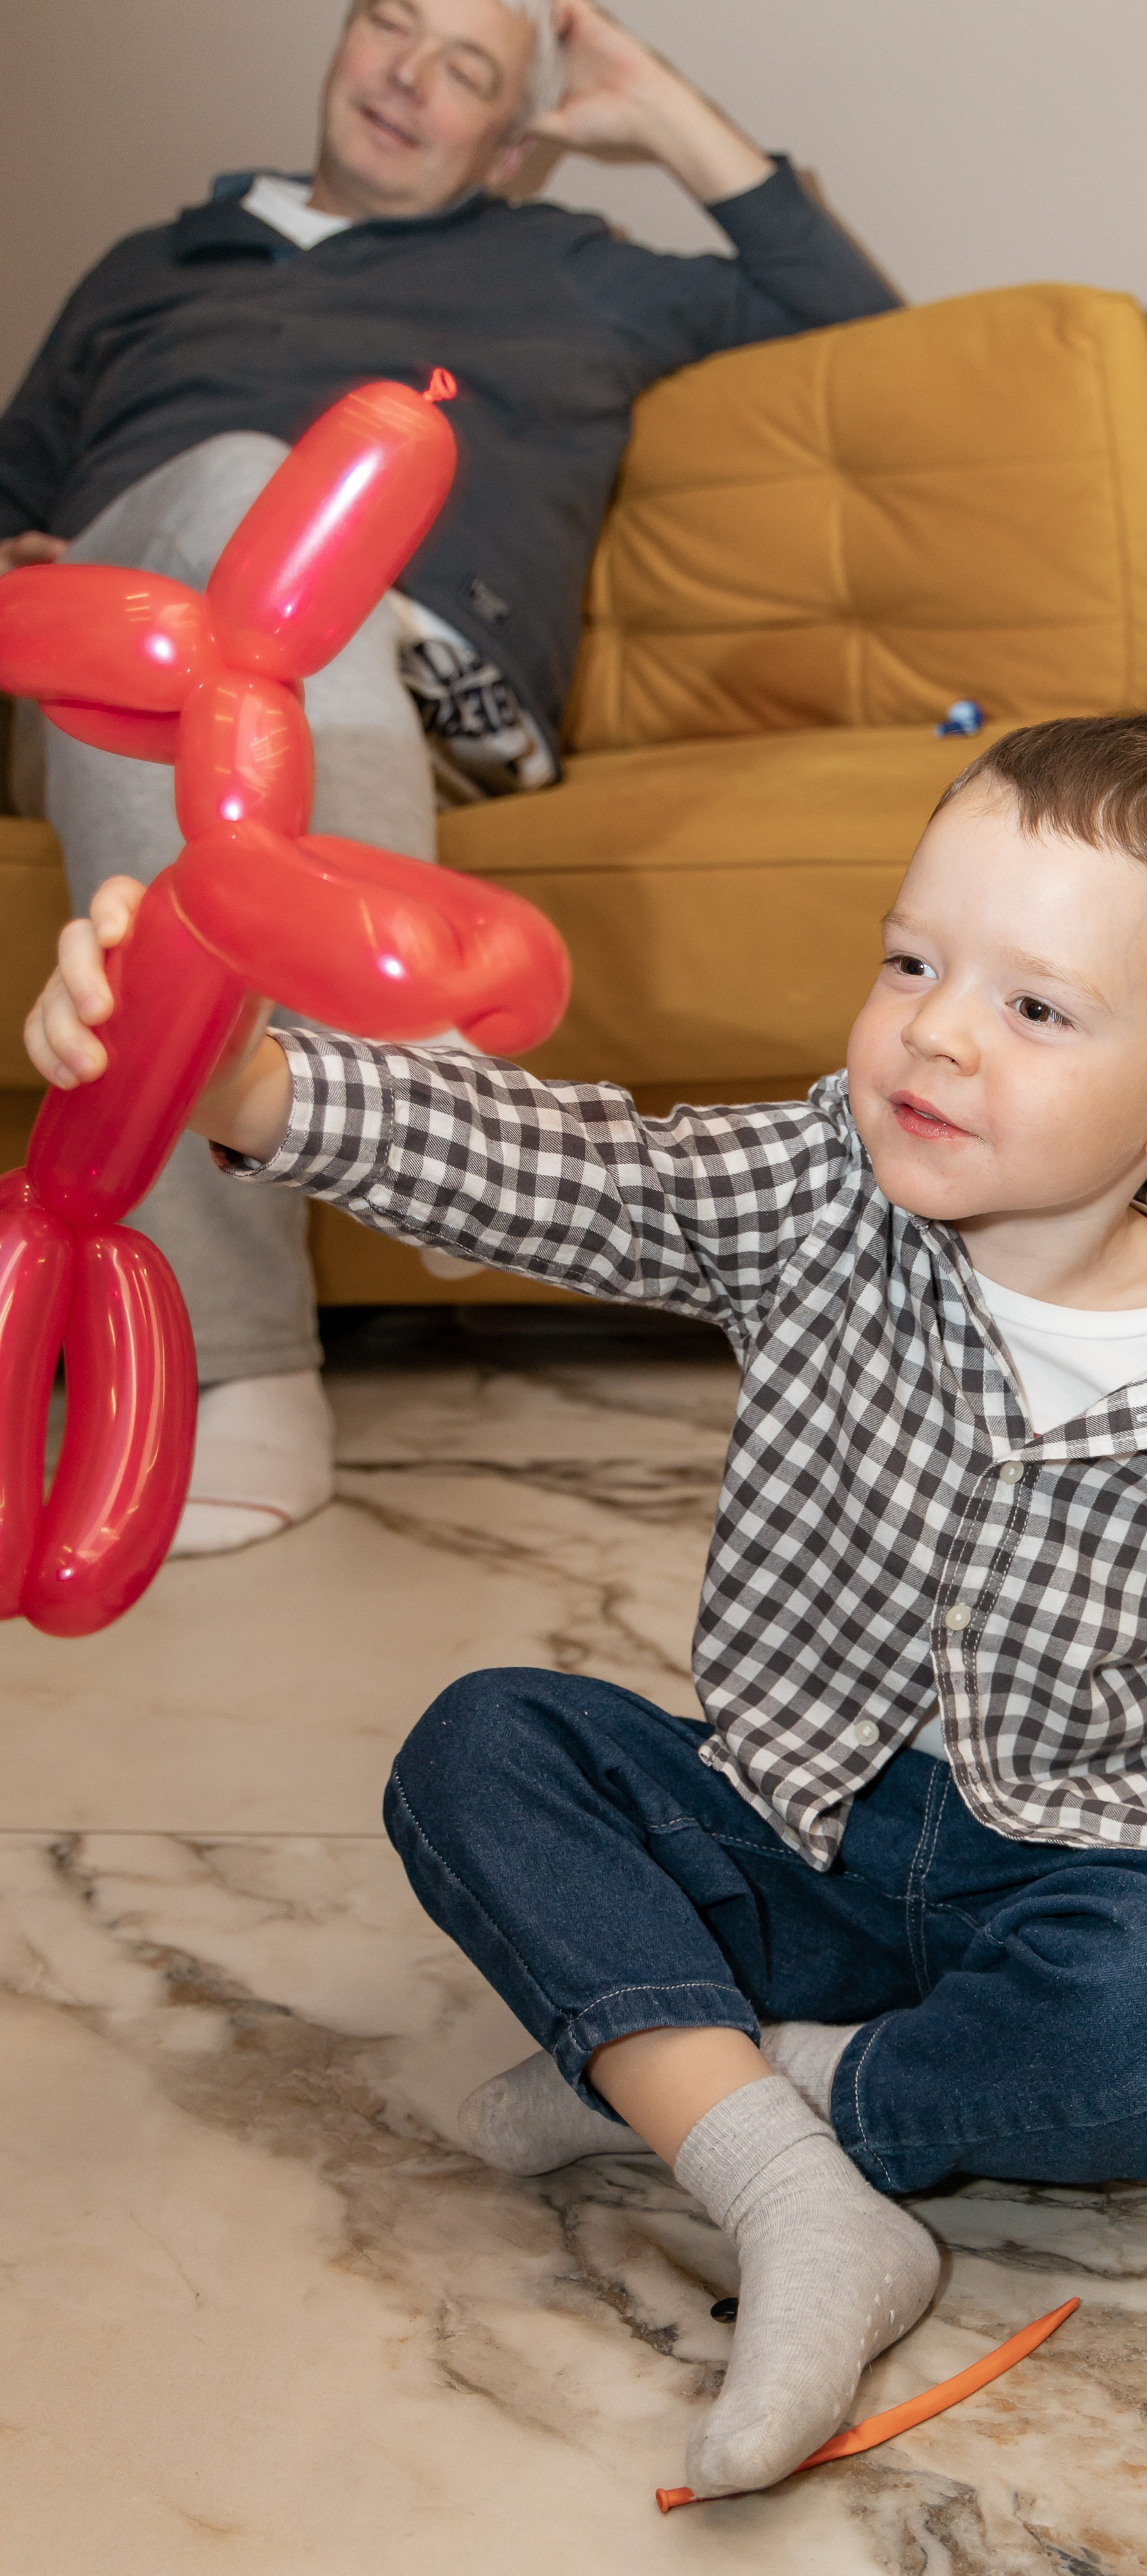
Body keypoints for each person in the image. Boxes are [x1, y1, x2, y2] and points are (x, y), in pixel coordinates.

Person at [25, 713, 1147, 2500]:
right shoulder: (818, 1189)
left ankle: (714, 2087)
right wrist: (266, 1091)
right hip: (786, 1822)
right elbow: (581, 1173)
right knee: (485, 1744)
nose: (934, 1032)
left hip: (1082, 1863)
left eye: (1034, 1008)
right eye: (909, 961)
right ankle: (787, 2180)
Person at [0, 0, 896, 1557]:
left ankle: (243, 1361)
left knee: (278, 571)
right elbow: (14, 484)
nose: (409, 75)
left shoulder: (573, 269)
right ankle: (406, 1108)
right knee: (222, 535)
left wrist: (661, 107)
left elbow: (868, 336)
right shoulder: (154, 261)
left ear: (515, 137)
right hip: (106, 671)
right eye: (389, 23)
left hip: (419, 672)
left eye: (468, 68)